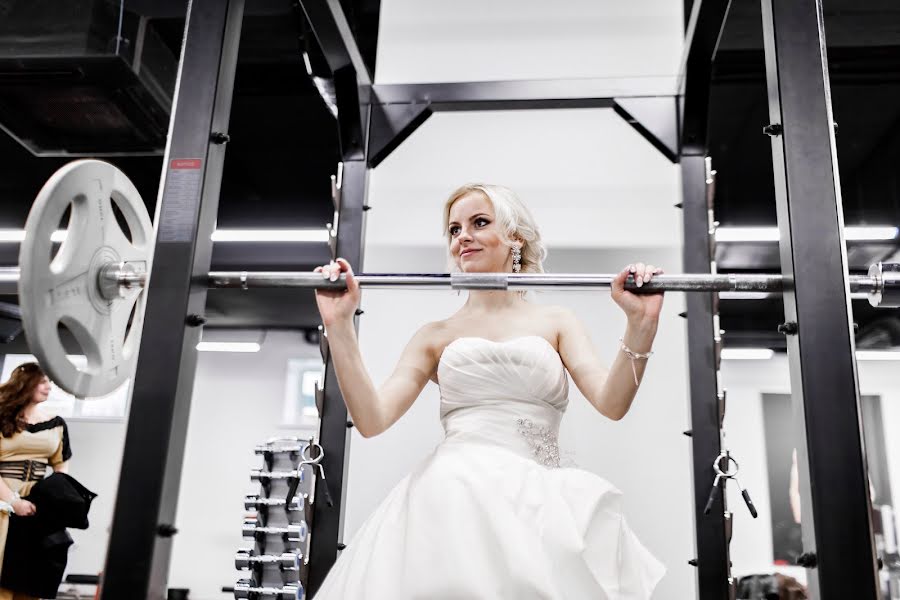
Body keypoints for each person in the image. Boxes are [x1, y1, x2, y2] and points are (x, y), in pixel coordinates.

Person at [312, 184, 666, 599]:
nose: (463, 236)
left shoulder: (557, 321)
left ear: (515, 238)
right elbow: (371, 419)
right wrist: (339, 326)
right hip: (452, 494)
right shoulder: (434, 335)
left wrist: (641, 325)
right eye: (454, 229)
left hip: (536, 502)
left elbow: (612, 402)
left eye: (479, 223)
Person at [0, 362, 72, 600]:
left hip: (37, 505)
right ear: (26, 383)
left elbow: (61, 465)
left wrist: (57, 496)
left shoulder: (56, 423)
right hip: (3, 501)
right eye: (42, 381)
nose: (48, 387)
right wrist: (13, 501)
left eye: (49, 382)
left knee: (30, 579)